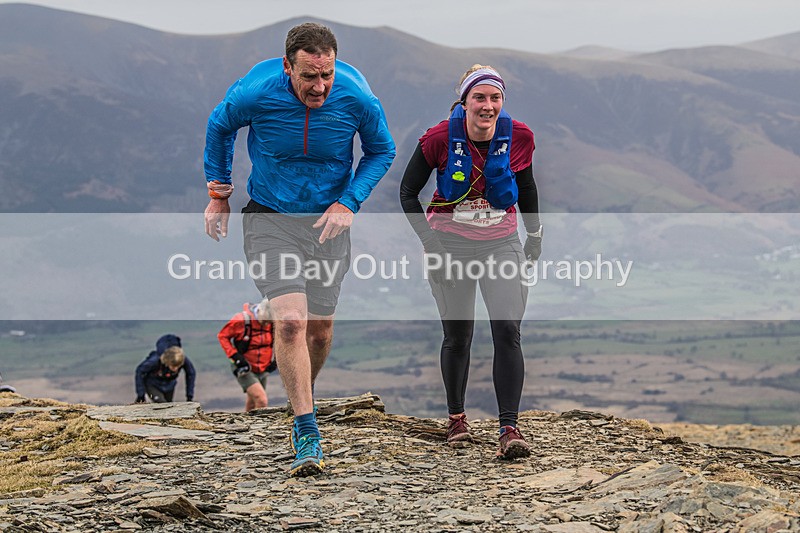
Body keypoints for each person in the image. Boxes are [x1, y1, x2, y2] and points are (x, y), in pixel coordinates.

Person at [202, 23, 395, 476]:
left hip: (328, 223)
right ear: (288, 67)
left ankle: (299, 395)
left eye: (327, 74)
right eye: (309, 76)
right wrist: (219, 191)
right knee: (290, 321)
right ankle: (306, 429)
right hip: (270, 216)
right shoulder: (256, 91)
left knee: (320, 332)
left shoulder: (358, 97)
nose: (320, 86)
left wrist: (349, 201)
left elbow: (380, 151)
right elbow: (219, 125)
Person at [399, 65, 542, 460]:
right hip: (450, 244)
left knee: (507, 330)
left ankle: (509, 428)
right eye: (479, 97)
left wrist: (534, 235)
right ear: (464, 102)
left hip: (501, 243)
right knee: (458, 335)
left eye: (495, 98)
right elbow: (407, 193)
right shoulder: (438, 139)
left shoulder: (520, 137)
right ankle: (456, 419)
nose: (487, 105)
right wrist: (432, 245)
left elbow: (526, 186)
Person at [218, 298, 277, 412]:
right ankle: (260, 423)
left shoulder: (272, 323)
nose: (266, 324)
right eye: (264, 321)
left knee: (253, 401)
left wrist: (276, 360)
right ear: (259, 311)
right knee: (261, 400)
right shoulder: (241, 321)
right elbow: (222, 336)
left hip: (263, 367)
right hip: (244, 367)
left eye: (269, 322)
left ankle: (248, 421)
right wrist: (235, 356)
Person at [134, 334, 196, 404]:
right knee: (162, 404)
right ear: (167, 362)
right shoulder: (154, 361)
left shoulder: (182, 359)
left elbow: (191, 374)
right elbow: (140, 371)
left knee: (168, 405)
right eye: (173, 366)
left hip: (169, 385)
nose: (175, 369)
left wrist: (189, 396)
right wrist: (141, 394)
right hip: (152, 384)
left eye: (178, 367)